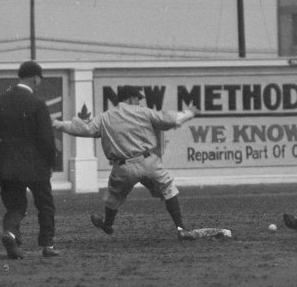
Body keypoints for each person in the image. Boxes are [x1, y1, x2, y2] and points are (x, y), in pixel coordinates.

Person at [54, 85, 200, 239]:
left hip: (123, 166)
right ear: (130, 98)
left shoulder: (106, 117)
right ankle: (181, 228)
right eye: (138, 98)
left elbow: (82, 128)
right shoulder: (143, 112)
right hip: (148, 161)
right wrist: (189, 112)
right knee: (168, 188)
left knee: (113, 197)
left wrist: (57, 124)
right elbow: (171, 119)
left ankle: (107, 224)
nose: (140, 102)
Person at [0, 60, 60, 258]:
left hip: (6, 164)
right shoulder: (37, 104)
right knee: (45, 205)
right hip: (35, 165)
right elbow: (46, 138)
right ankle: (47, 245)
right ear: (35, 78)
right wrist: (51, 163)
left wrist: (4, 156)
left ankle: (11, 233)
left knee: (15, 206)